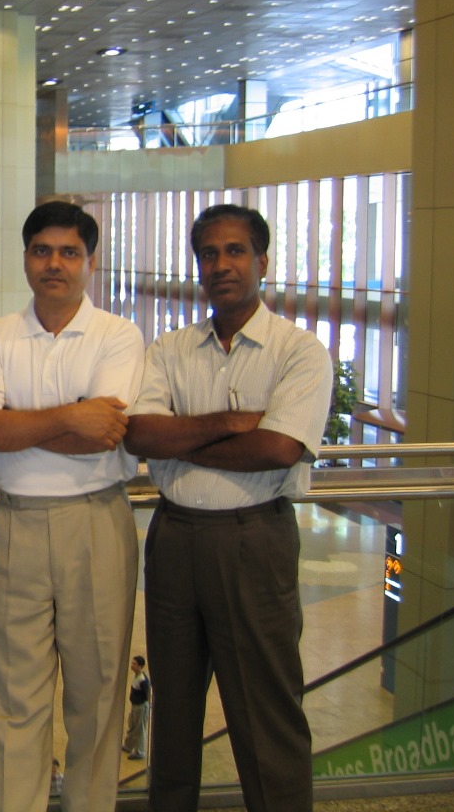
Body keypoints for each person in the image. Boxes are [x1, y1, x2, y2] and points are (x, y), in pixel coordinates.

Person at [124, 204, 332, 812]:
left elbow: (277, 449)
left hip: (254, 542)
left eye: (235, 251)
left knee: (267, 717)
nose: (221, 265)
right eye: (209, 254)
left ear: (262, 262)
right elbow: (141, 437)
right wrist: (228, 425)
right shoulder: (169, 350)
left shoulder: (299, 351)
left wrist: (186, 438)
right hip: (176, 540)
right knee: (175, 717)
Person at [0, 200, 144, 812]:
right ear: (26, 258)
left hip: (97, 521)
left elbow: (107, 431)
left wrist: (23, 425)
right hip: (14, 523)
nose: (54, 264)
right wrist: (70, 414)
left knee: (98, 693)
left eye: (69, 252)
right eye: (42, 251)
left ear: (90, 262)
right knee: (14, 694)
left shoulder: (119, 335)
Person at [123, 655, 150, 760]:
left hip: (141, 707)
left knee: (139, 729)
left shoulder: (143, 680)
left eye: (134, 664)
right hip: (135, 707)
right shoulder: (137, 676)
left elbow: (148, 694)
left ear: (140, 666)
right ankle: (128, 746)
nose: (132, 665)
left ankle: (139, 752)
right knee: (132, 726)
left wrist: (147, 706)